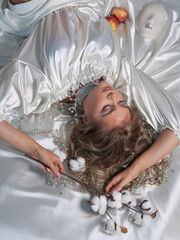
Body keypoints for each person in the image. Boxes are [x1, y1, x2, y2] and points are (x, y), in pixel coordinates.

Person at [0, 0, 179, 194]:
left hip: (38, 6)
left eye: (107, 108)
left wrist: (37, 150)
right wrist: (135, 169)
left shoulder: (45, 85)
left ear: (86, 119)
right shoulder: (119, 74)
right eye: (121, 103)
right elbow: (176, 125)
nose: (112, 95)